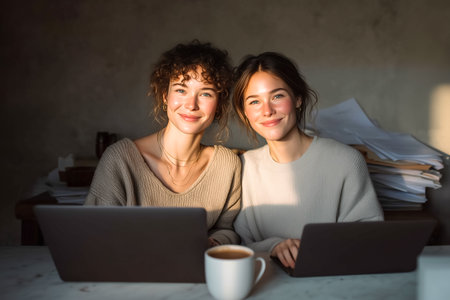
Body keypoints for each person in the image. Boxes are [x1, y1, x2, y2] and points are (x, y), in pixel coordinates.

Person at [232, 52, 383, 268]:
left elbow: (370, 237)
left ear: (298, 99)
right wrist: (275, 246)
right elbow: (239, 244)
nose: (267, 111)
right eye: (254, 101)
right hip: (264, 282)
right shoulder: (244, 166)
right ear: (244, 112)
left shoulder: (346, 161)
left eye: (277, 96)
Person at [85, 40, 241, 246]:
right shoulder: (120, 159)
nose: (191, 105)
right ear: (165, 95)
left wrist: (213, 242)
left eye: (205, 93)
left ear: (219, 104)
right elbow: (93, 235)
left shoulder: (227, 165)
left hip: (197, 274)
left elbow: (226, 230)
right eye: (181, 90)